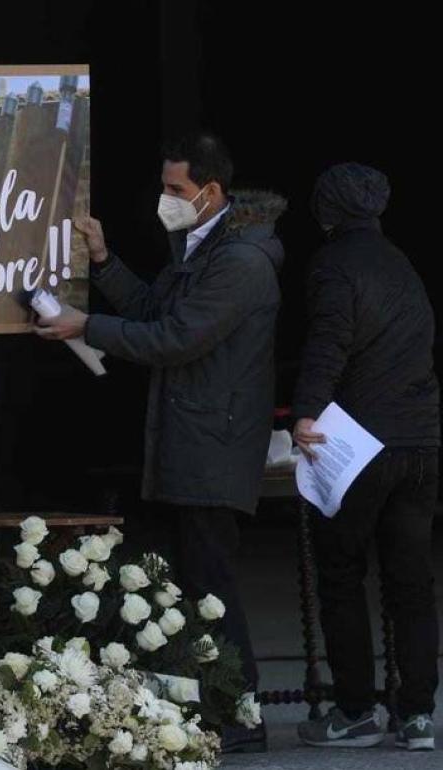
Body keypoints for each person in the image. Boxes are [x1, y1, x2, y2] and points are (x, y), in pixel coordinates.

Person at [36, 133, 284, 753]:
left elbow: (176, 336)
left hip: (214, 445)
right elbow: (152, 307)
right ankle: (206, 710)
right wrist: (103, 261)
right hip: (190, 441)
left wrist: (85, 324)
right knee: (186, 586)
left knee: (212, 585)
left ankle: (242, 717)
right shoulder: (202, 245)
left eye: (175, 189)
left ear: (211, 191)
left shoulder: (241, 262)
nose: (166, 199)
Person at [292, 163, 439, 752]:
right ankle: (418, 716)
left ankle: (354, 711)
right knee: (411, 582)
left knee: (341, 572)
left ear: (328, 210)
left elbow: (331, 338)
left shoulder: (334, 265)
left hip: (363, 447)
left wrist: (306, 410)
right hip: (422, 443)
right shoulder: (403, 266)